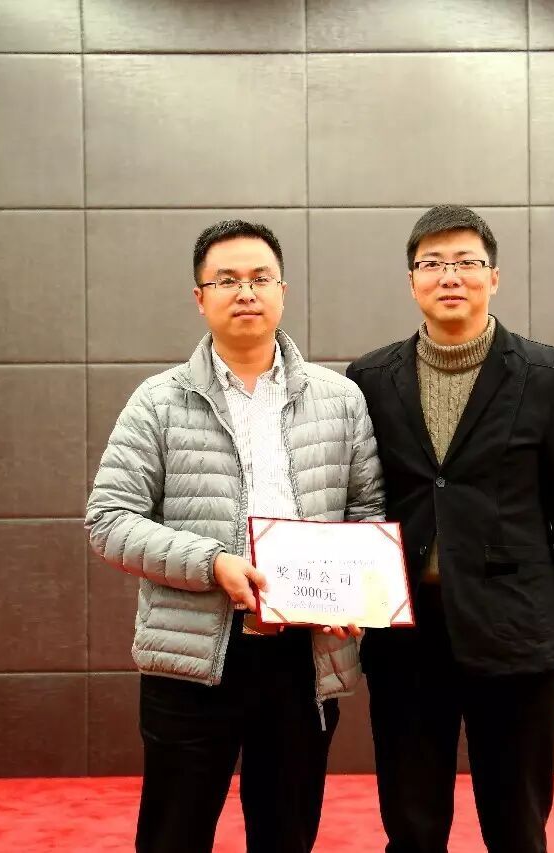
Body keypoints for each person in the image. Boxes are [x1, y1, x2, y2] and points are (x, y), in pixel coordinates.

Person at [86, 219, 383, 853]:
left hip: (303, 658)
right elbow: (108, 520)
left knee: (286, 834)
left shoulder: (340, 399)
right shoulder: (158, 402)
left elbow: (369, 509)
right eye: (226, 280)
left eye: (259, 278)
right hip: (194, 656)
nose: (245, 291)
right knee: (173, 837)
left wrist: (352, 592)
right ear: (200, 297)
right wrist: (212, 563)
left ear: (283, 291)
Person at [346, 205, 554, 853]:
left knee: (516, 826)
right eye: (432, 263)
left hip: (515, 632)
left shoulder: (551, 377)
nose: (449, 276)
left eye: (466, 262)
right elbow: (361, 504)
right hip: (406, 635)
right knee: (412, 826)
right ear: (412, 281)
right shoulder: (369, 380)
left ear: (494, 277)